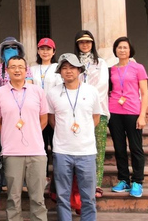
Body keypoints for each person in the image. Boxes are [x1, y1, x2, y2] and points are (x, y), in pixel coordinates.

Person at [0, 55, 48, 221]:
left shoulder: (37, 91)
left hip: (36, 151)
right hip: (11, 152)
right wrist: (9, 135)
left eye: (20, 67)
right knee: (13, 198)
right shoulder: (0, 93)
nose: (17, 70)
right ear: (7, 71)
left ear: (26, 70)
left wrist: (33, 131)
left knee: (37, 197)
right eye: (13, 67)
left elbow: (43, 119)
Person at [47, 53, 101, 221]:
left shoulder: (91, 91)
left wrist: (82, 131)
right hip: (62, 151)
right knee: (62, 197)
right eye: (64, 68)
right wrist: (65, 132)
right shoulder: (53, 93)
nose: (68, 71)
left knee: (88, 197)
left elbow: (96, 117)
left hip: (86, 151)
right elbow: (51, 119)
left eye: (72, 68)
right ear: (60, 72)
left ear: (79, 70)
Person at [108, 37, 148, 198]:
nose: (122, 50)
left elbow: (144, 93)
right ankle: (123, 179)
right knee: (119, 148)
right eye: (119, 47)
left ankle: (137, 181)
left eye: (125, 47)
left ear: (130, 50)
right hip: (114, 111)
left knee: (136, 147)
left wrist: (142, 115)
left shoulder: (138, 68)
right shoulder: (111, 69)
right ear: (115, 50)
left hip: (133, 111)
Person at [73, 30, 109, 198]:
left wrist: (86, 98)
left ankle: (97, 184)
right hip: (76, 111)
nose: (85, 45)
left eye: (88, 42)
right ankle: (80, 185)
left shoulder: (100, 63)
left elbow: (102, 85)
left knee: (98, 148)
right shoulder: (72, 62)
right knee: (78, 149)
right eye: (81, 42)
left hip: (97, 110)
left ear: (92, 44)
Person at [30, 37, 59, 189]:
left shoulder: (58, 68)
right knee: (40, 146)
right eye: (42, 49)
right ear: (38, 51)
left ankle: (57, 177)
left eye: (48, 49)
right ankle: (42, 176)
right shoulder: (33, 69)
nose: (45, 52)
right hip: (36, 114)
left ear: (53, 51)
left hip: (53, 113)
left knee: (55, 146)